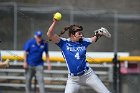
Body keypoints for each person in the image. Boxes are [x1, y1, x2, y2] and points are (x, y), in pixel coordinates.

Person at [47, 19, 111, 93]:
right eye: (79, 33)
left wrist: (100, 32)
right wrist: (55, 22)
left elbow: (93, 39)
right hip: (73, 79)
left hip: (88, 75)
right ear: (72, 35)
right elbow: (49, 34)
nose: (81, 35)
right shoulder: (63, 43)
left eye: (81, 33)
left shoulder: (83, 41)